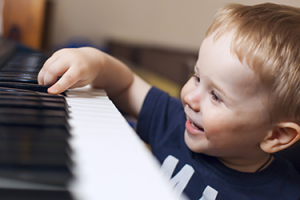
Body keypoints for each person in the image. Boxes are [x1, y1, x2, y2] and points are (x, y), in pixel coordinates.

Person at [38, 3, 300, 200]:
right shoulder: (176, 122)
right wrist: (93, 60)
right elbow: (127, 84)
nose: (189, 97)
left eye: (216, 96)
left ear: (276, 135)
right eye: (197, 77)